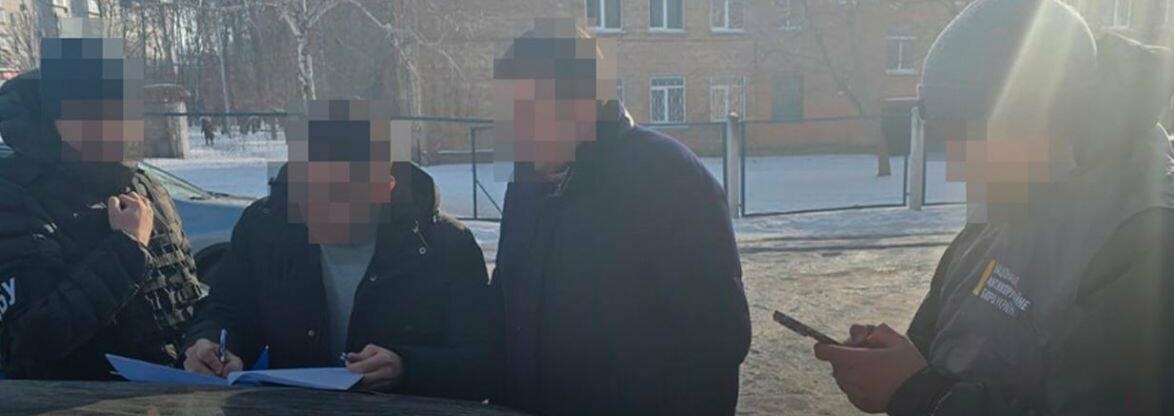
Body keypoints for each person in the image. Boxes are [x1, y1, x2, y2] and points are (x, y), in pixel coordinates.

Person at [813, 1, 1174, 415]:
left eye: (973, 138)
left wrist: (919, 394)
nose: (960, 166)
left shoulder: (1169, 249)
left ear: (1041, 112)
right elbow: (940, 341)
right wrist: (892, 365)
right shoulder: (1015, 198)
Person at [491, 18, 752, 415]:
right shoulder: (527, 183)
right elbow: (505, 312)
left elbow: (716, 343)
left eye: (528, 111)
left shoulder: (667, 177)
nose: (515, 131)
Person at [181, 99, 499, 399]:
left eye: (340, 193)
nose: (320, 208)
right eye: (308, 191)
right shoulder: (265, 227)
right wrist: (211, 345)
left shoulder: (445, 246)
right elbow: (228, 310)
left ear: (383, 189)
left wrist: (407, 368)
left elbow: (480, 365)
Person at [0, 38, 207, 380]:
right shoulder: (16, 198)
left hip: (175, 393)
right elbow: (24, 343)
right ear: (54, 119)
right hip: (79, 400)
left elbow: (186, 296)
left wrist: (206, 342)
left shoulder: (148, 188)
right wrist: (126, 249)